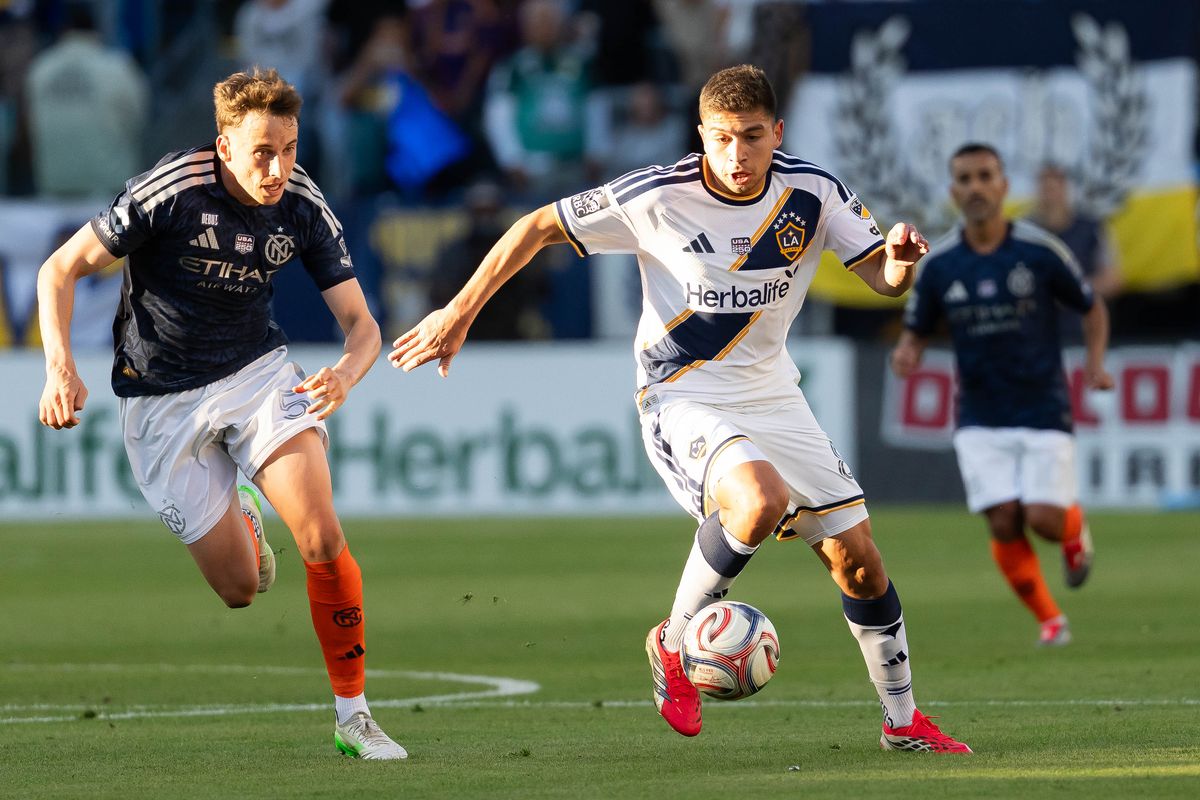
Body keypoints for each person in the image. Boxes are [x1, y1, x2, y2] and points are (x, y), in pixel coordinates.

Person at [391, 64, 971, 753]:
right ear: (702, 135)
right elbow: (536, 226)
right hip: (681, 392)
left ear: (776, 132)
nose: (737, 155)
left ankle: (902, 725)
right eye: (722, 139)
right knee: (756, 501)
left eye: (752, 137)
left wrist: (901, 263)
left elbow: (880, 276)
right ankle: (673, 641)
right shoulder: (657, 194)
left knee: (860, 562)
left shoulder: (812, 192)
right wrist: (458, 312)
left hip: (773, 394)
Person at [36, 68, 406, 759]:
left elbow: (361, 324)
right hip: (159, 398)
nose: (278, 167)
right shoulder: (171, 190)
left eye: (290, 148)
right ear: (224, 145)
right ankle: (239, 514)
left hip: (257, 377)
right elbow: (58, 271)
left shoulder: (299, 202)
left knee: (321, 534)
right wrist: (60, 366)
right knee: (241, 588)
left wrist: (347, 376)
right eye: (262, 151)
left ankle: (354, 718)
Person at [891, 142, 1113, 647]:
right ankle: (1051, 620)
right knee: (1004, 518)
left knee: (1044, 519)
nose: (975, 187)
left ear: (1003, 186)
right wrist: (908, 352)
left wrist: (1096, 363)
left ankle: (1074, 530)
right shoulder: (942, 264)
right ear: (953, 191)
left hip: (1042, 405)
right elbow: (916, 328)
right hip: (979, 412)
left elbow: (1091, 305)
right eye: (964, 179)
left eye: (984, 176)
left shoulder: (1038, 250)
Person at [1025, 163, 1122, 342]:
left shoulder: (1091, 228)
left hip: (1082, 333)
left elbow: (1113, 280)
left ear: (1066, 190)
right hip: (1033, 335)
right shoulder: (1023, 232)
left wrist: (1071, 291)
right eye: (1045, 188)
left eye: (1055, 188)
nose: (1050, 196)